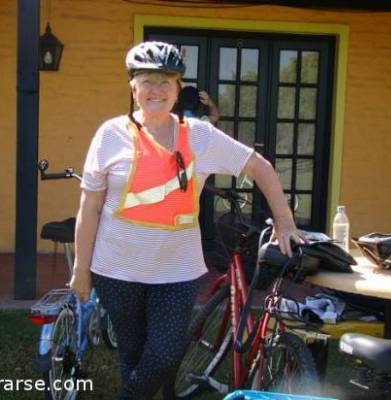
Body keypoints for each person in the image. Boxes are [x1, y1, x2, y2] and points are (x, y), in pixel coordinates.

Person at [70, 41, 302, 400]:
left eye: (166, 81)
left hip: (175, 272)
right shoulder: (110, 135)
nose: (156, 90)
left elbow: (261, 167)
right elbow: (89, 207)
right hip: (116, 270)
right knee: (133, 356)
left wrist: (285, 221)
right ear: (133, 86)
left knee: (163, 356)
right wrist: (81, 269)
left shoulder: (199, 135)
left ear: (179, 87)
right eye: (147, 80)